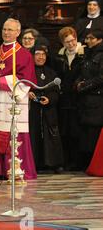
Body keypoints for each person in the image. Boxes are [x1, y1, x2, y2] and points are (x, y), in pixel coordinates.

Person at [0, 18, 37, 180]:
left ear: (18, 33)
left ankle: (16, 170)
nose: (6, 32)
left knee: (14, 132)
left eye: (10, 30)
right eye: (4, 29)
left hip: (13, 99)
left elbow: (26, 80)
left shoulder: (24, 54)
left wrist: (2, 81)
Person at [52, 27, 85, 170]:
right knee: (65, 131)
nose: (71, 44)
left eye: (73, 40)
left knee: (78, 131)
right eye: (67, 42)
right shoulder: (59, 57)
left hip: (79, 98)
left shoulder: (83, 54)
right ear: (62, 43)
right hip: (64, 99)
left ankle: (78, 162)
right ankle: (67, 161)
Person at [28, 45, 64, 173]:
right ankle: (35, 163)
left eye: (43, 54)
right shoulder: (27, 71)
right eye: (38, 54)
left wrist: (50, 99)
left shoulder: (51, 72)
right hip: (32, 110)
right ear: (32, 56)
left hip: (48, 109)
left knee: (52, 135)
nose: (41, 57)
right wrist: (28, 93)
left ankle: (54, 163)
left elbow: (56, 91)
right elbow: (23, 86)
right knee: (34, 134)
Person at [75, 28, 103, 170]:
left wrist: (84, 85)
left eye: (91, 38)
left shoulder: (101, 55)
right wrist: (78, 83)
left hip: (97, 100)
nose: (87, 41)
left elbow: (101, 77)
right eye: (87, 38)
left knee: (94, 133)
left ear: (100, 40)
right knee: (86, 134)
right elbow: (82, 73)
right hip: (86, 100)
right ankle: (86, 163)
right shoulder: (87, 54)